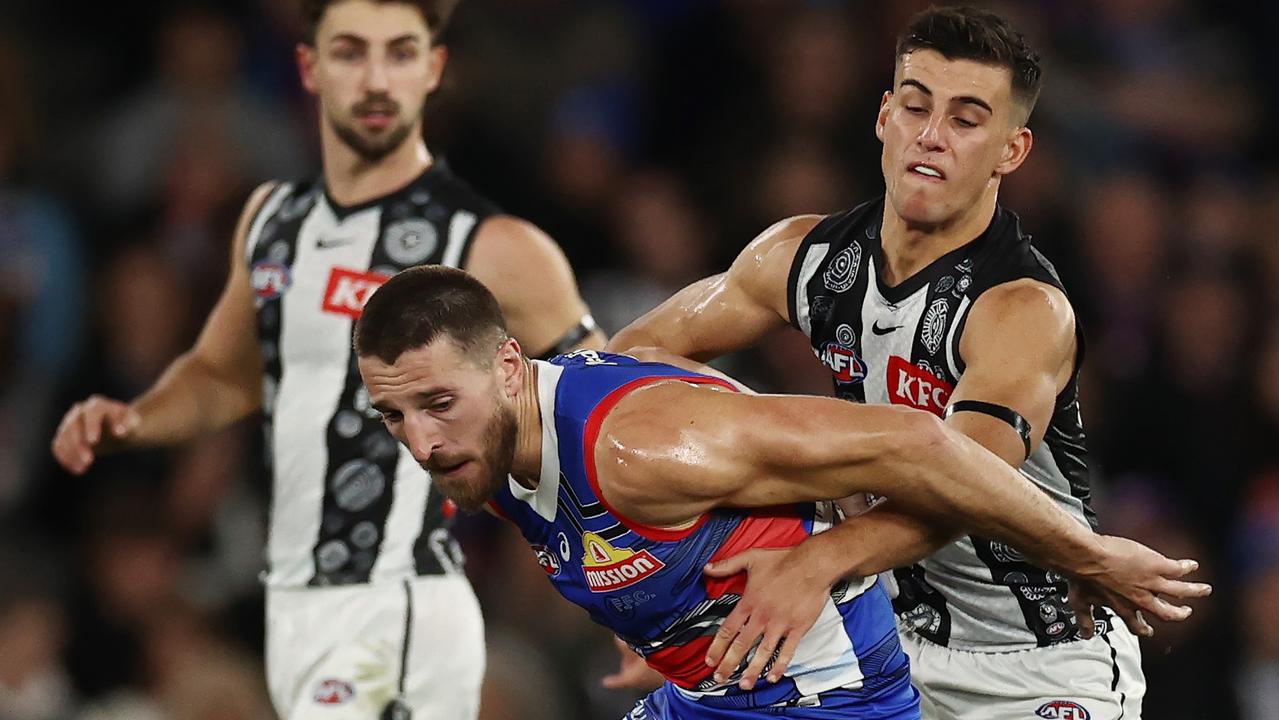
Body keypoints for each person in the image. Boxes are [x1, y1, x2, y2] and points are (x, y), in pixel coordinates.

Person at [609, 6, 1180, 718]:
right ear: (884, 115)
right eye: (915, 106)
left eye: (967, 121)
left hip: (1034, 664)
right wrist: (671, 581)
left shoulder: (1022, 310)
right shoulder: (801, 256)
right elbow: (623, 366)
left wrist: (812, 560)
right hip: (879, 642)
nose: (932, 136)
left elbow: (959, 482)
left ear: (1012, 150)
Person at [50, 1, 603, 718]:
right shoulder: (270, 220)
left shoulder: (490, 243)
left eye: (400, 53)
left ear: (433, 69)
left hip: (401, 595)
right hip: (296, 601)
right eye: (351, 52)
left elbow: (600, 403)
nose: (376, 79)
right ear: (309, 67)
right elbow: (225, 373)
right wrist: (134, 418)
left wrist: (628, 590)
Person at [353, 265, 1208, 720]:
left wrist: (1088, 554)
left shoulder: (645, 446)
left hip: (823, 708)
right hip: (714, 700)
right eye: (392, 416)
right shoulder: (484, 446)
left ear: (508, 368)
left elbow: (911, 442)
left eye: (436, 405)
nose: (422, 442)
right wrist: (651, 626)